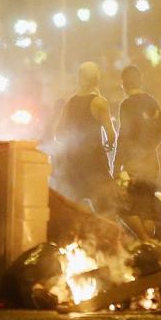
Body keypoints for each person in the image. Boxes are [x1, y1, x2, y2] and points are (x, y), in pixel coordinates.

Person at [54, 62, 117, 212]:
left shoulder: (70, 102)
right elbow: (111, 134)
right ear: (96, 79)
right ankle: (106, 235)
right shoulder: (100, 102)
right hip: (95, 163)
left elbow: (58, 134)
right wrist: (108, 145)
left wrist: (73, 145)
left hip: (73, 163)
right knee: (105, 207)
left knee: (72, 208)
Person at [114, 65, 161, 188]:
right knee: (149, 198)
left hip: (134, 165)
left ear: (125, 84)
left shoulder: (127, 105)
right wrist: (150, 147)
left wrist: (117, 165)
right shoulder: (152, 102)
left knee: (135, 202)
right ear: (140, 81)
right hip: (152, 164)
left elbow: (124, 135)